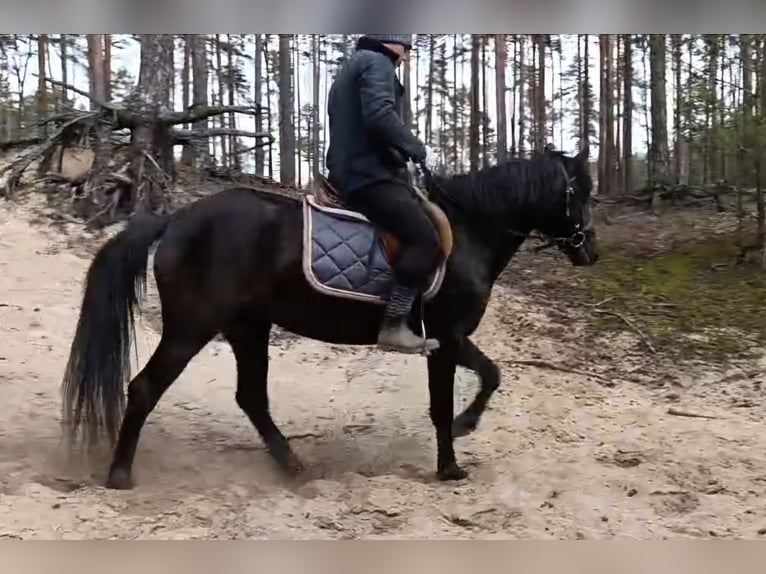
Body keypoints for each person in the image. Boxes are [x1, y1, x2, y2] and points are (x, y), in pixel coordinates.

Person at [325, 34, 440, 355]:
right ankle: (394, 325)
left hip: (355, 168)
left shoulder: (356, 63)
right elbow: (379, 116)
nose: (407, 52)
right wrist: (417, 149)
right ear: (392, 42)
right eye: (406, 45)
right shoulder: (377, 63)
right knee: (424, 239)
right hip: (367, 175)